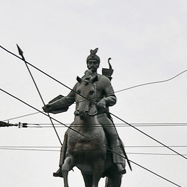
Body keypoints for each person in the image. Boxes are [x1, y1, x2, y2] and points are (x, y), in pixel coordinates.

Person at [43, 49, 128, 177]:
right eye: (90, 62)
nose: (92, 65)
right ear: (87, 64)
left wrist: (104, 101)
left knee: (113, 135)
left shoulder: (104, 80)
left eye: (95, 62)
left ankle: (118, 162)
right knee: (67, 135)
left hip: (100, 115)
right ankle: (61, 166)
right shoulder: (80, 83)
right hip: (81, 118)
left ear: (98, 64)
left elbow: (113, 97)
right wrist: (51, 106)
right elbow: (68, 99)